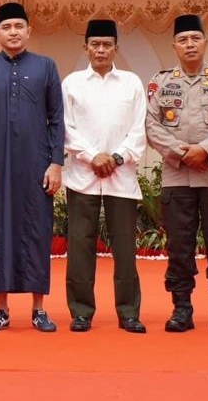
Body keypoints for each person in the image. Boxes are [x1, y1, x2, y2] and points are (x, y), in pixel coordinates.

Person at [144, 14, 208, 335]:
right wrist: (184, 153)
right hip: (178, 177)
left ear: (205, 43)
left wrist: (207, 152)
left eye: (195, 39)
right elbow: (151, 125)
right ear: (174, 45)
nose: (189, 44)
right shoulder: (161, 83)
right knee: (179, 246)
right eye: (183, 40)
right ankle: (181, 309)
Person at [0, 2, 64, 333]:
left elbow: (57, 118)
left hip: (36, 165)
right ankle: (1, 309)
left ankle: (39, 309)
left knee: (36, 231)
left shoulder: (46, 67)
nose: (13, 32)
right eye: (6, 27)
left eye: (18, 26)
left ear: (28, 31)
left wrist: (56, 162)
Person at [62, 19, 147, 334]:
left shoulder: (131, 83)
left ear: (116, 48)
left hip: (121, 176)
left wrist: (116, 157)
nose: (100, 49)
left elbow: (140, 129)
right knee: (80, 246)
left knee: (124, 247)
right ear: (85, 47)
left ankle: (128, 313)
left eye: (106, 44)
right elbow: (65, 128)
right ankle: (81, 311)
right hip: (82, 175)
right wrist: (90, 156)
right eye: (94, 44)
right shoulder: (71, 83)